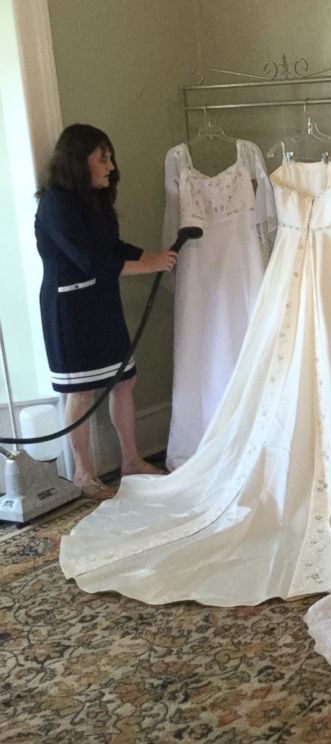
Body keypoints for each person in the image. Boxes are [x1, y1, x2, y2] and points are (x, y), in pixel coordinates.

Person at [35, 123, 177, 499]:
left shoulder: (93, 202)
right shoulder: (56, 205)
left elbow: (112, 246)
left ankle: (131, 461)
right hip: (71, 312)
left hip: (102, 304)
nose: (111, 166)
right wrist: (151, 267)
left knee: (124, 380)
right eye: (103, 158)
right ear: (78, 162)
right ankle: (83, 473)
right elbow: (93, 261)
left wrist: (154, 257)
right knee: (79, 394)